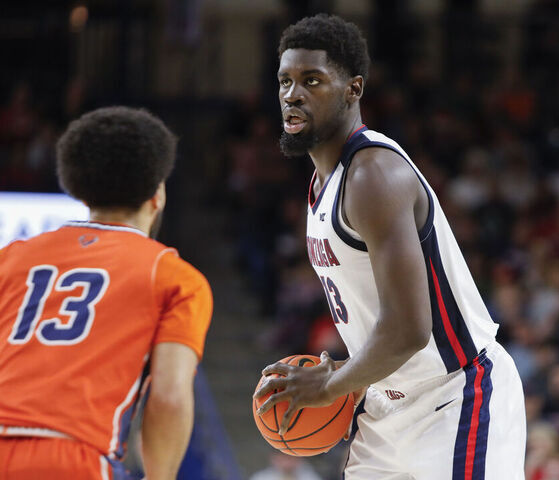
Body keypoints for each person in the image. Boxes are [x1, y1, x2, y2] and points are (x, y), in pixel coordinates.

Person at [254, 14, 526, 479]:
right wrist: (346, 375)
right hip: (385, 403)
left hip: (455, 396)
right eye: (285, 81)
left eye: (311, 80)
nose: (292, 95)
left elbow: (408, 330)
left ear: (353, 89)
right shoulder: (323, 183)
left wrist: (330, 387)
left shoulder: (372, 176)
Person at [0, 106, 213, 480]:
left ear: (81, 192)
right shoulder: (175, 278)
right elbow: (168, 396)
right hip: (70, 456)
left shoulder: (10, 257)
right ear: (158, 193)